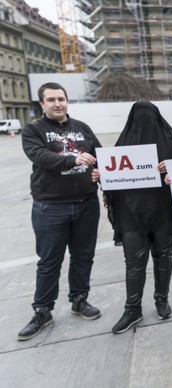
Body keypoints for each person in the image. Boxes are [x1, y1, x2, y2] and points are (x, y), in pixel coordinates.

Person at [18, 82, 102, 341]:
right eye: (51, 99)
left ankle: (79, 299)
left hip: (87, 203)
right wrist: (73, 159)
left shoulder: (82, 129)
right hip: (50, 206)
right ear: (42, 104)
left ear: (67, 101)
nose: (57, 103)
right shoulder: (33, 130)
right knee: (49, 261)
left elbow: (101, 155)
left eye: (61, 99)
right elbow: (40, 157)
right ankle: (42, 310)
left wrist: (103, 174)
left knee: (83, 256)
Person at [98, 101, 172, 334]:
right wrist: (102, 178)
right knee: (134, 263)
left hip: (163, 212)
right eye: (139, 118)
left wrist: (170, 167)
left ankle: (162, 299)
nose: (144, 123)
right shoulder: (123, 144)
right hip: (131, 214)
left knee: (163, 257)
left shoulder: (171, 141)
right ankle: (132, 308)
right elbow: (111, 176)